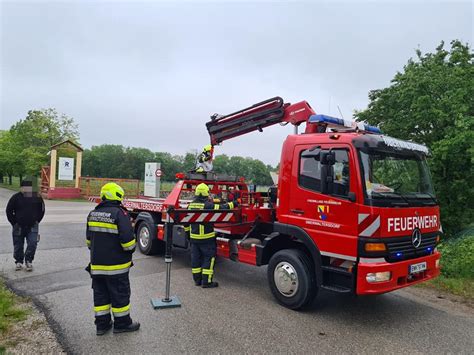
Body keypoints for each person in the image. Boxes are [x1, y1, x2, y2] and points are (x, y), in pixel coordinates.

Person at [86, 182, 140, 335]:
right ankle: (122, 324)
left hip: (97, 266)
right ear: (118, 196)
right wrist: (131, 249)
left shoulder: (93, 213)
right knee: (120, 295)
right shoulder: (120, 214)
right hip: (116, 267)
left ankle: (102, 326)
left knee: (101, 296)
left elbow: (89, 241)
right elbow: (128, 243)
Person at [188, 183, 238, 288]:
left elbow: (186, 224)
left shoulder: (190, 205)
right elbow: (223, 207)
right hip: (207, 239)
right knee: (209, 258)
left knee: (195, 259)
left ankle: (197, 281)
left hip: (194, 239)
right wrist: (235, 203)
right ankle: (207, 282)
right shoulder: (208, 205)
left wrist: (188, 234)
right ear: (206, 193)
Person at [6, 179, 45, 271]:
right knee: (18, 245)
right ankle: (19, 261)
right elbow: (9, 211)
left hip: (33, 225)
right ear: (21, 188)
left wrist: (36, 220)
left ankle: (29, 261)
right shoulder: (15, 197)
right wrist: (14, 223)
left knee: (32, 243)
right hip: (18, 226)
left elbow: (42, 210)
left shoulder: (38, 198)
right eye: (24, 188)